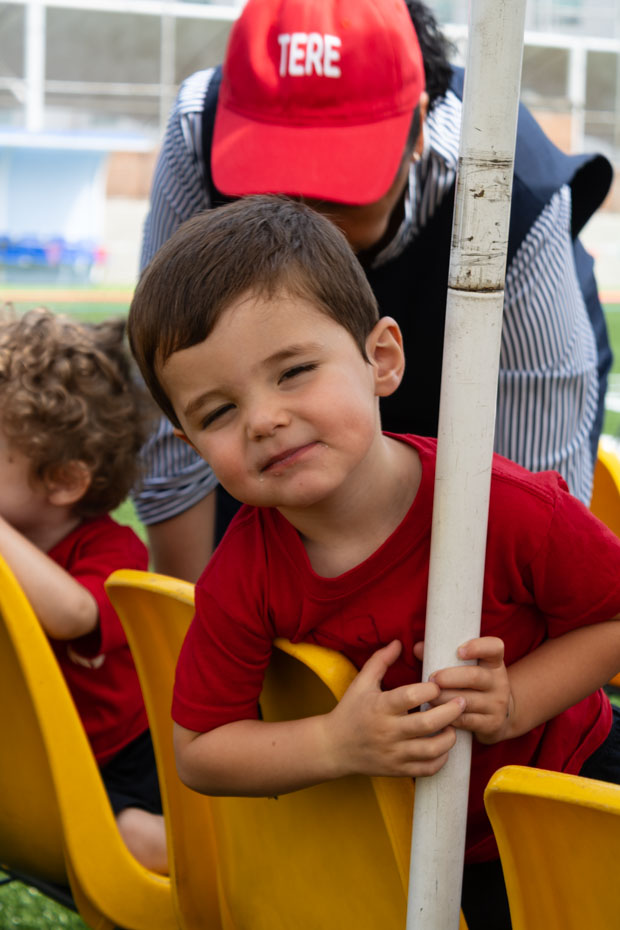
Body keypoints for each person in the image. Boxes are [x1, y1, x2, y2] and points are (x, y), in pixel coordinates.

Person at [129, 196, 620, 930]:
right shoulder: (244, 576)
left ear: (381, 358)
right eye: (218, 412)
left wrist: (517, 698)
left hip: (570, 787)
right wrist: (333, 742)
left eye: (293, 371)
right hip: (410, 843)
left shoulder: (505, 508)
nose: (263, 418)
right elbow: (201, 751)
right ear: (190, 441)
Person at [135, 0, 613, 583]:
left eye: (337, 190)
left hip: (467, 393)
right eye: (268, 182)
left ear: (415, 129)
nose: (300, 221)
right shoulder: (199, 128)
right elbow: (171, 389)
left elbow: (529, 511)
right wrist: (190, 616)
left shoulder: (510, 187)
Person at [0, 307, 167, 875]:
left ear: (65, 480)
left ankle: (229, 852)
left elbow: (71, 613)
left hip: (122, 764)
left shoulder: (111, 551)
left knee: (134, 843)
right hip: (33, 757)